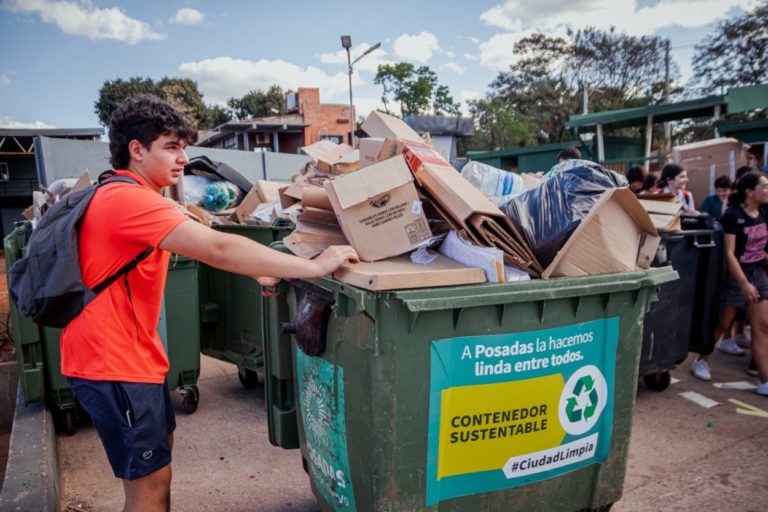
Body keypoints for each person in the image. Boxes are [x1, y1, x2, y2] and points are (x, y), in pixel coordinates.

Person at [60, 95, 359, 512]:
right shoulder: (128, 201)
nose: (183, 157)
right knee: (146, 486)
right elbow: (217, 246)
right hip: (113, 364)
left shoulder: (125, 193)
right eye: (171, 146)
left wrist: (257, 269)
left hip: (129, 361)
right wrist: (313, 267)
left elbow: (196, 248)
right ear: (136, 149)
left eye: (184, 146)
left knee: (157, 465)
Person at [690, 172, 768, 396]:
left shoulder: (763, 212)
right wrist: (743, 283)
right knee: (723, 323)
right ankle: (702, 359)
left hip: (758, 275)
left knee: (762, 327)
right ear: (749, 191)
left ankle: (765, 379)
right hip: (735, 277)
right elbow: (729, 254)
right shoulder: (732, 217)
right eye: (764, 186)